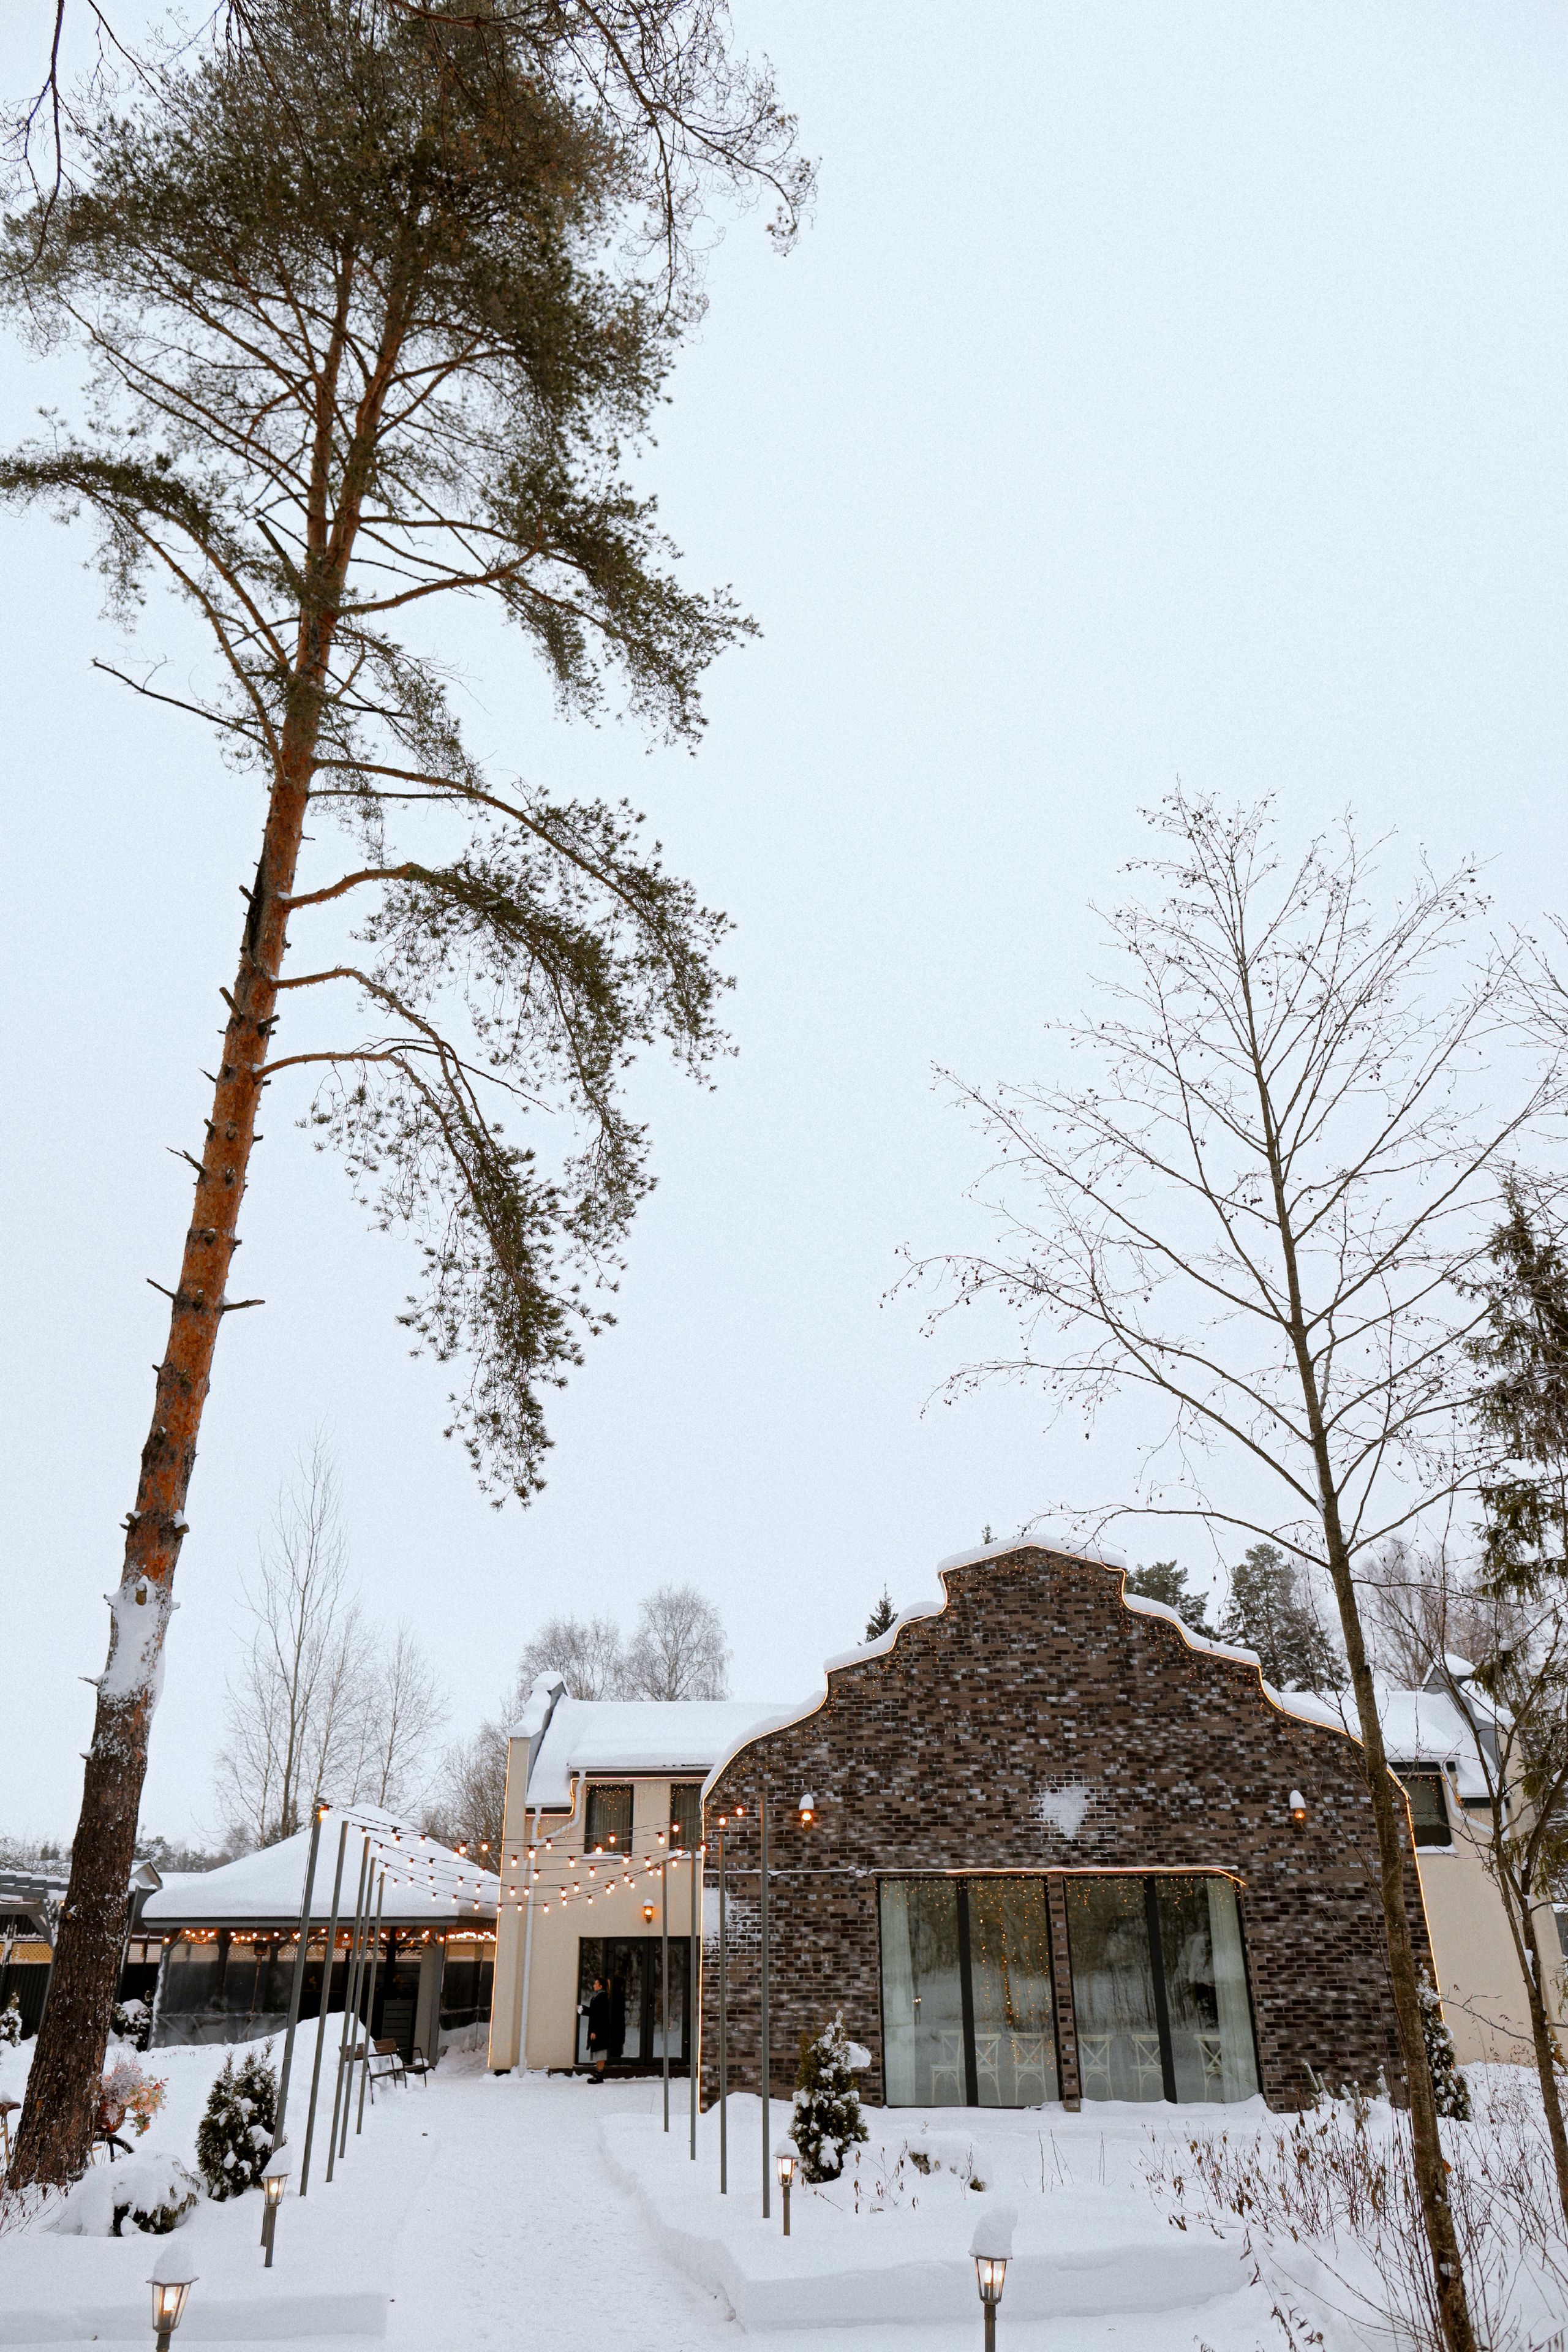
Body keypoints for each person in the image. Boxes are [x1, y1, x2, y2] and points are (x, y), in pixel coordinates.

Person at [586, 1977, 609, 2080]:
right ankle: (597, 2074)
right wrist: (583, 2010)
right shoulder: (597, 1997)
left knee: (600, 2053)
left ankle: (599, 2075)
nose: (594, 1986)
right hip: (598, 2030)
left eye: (596, 1984)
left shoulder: (602, 1998)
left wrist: (594, 2031)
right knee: (598, 2052)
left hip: (600, 2031)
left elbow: (600, 2016)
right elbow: (593, 2012)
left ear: (601, 1986)